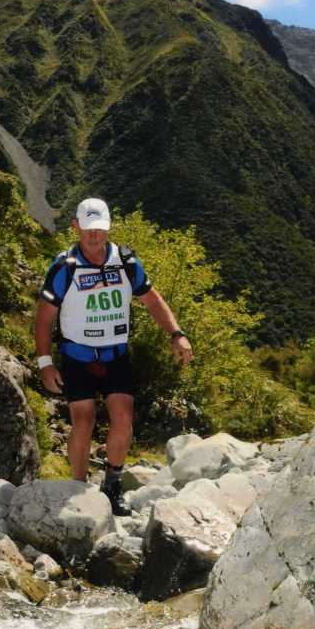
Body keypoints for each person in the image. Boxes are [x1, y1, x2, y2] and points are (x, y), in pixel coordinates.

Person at [35, 198, 193, 515]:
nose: (94, 235)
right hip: (77, 355)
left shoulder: (126, 263)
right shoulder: (64, 267)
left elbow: (152, 300)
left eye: (100, 229)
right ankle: (78, 487)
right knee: (83, 420)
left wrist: (176, 333)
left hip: (116, 354)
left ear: (109, 228)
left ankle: (111, 485)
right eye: (88, 229)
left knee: (123, 417)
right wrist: (45, 362)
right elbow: (44, 319)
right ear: (76, 227)